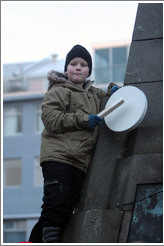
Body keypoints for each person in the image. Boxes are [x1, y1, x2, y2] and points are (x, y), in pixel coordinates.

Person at [29, 44, 119, 243]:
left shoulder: (92, 92)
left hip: (79, 162)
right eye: (73, 63)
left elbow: (105, 95)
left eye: (83, 64)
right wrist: (84, 119)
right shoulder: (59, 90)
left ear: (89, 71)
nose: (78, 67)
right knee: (55, 206)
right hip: (58, 158)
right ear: (66, 68)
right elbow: (51, 119)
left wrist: (113, 90)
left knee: (64, 210)